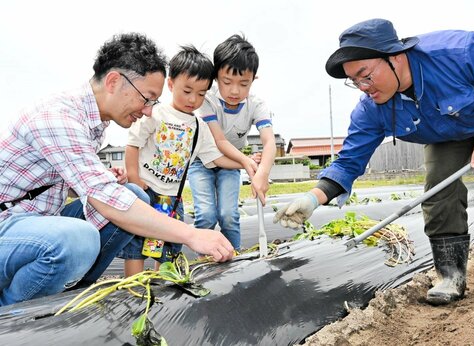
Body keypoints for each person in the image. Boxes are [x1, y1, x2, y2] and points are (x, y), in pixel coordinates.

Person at [274, 19, 474, 305]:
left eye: (365, 75)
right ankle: (451, 275)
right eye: (354, 81)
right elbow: (349, 161)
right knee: (439, 188)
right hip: (448, 137)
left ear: (394, 56)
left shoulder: (458, 52)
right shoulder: (372, 109)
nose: (362, 87)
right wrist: (313, 199)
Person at [0, 33, 234, 306]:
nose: (148, 112)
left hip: (34, 222)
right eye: (147, 99)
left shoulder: (93, 123)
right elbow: (104, 197)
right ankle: (11, 314)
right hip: (8, 225)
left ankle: (71, 294)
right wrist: (192, 234)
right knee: (78, 239)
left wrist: (102, 179)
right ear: (113, 82)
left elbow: (69, 182)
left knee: (133, 194)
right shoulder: (58, 117)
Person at [121, 45, 242, 276]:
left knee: (168, 247)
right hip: (146, 191)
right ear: (170, 84)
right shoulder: (155, 113)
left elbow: (215, 158)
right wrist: (135, 180)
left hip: (172, 198)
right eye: (187, 91)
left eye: (201, 94)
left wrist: (246, 163)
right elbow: (132, 144)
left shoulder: (199, 126)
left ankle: (163, 285)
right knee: (136, 246)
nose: (193, 99)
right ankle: (133, 286)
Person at [187, 34, 276, 251]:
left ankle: (234, 262)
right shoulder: (206, 101)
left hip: (232, 163)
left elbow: (270, 142)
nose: (235, 91)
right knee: (206, 215)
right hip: (202, 162)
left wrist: (262, 171)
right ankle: (204, 264)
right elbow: (219, 141)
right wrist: (247, 162)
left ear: (254, 79)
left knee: (229, 215)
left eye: (244, 83)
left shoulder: (256, 105)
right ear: (216, 78)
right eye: (227, 82)